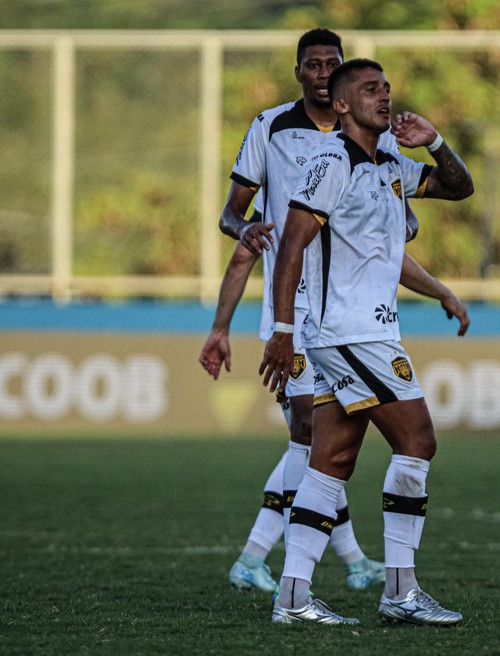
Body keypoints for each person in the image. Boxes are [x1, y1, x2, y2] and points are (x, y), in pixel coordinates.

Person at [199, 29, 470, 595]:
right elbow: (267, 237)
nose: (323, 73)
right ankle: (383, 584)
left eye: (335, 65)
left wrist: (436, 142)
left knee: (328, 450)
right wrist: (265, 327)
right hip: (323, 320)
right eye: (315, 66)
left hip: (341, 320)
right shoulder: (289, 138)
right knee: (399, 441)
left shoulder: (387, 156)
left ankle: (304, 583)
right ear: (302, 73)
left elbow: (434, 207)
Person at [259, 58, 474, 626]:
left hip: (357, 334)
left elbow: (458, 187)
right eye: (369, 89)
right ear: (342, 104)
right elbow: (291, 246)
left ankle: (293, 598)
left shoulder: (390, 167)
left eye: (387, 88)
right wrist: (283, 330)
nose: (384, 97)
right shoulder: (333, 162)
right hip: (355, 334)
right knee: (419, 440)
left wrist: (436, 142)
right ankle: (400, 592)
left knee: (332, 460)